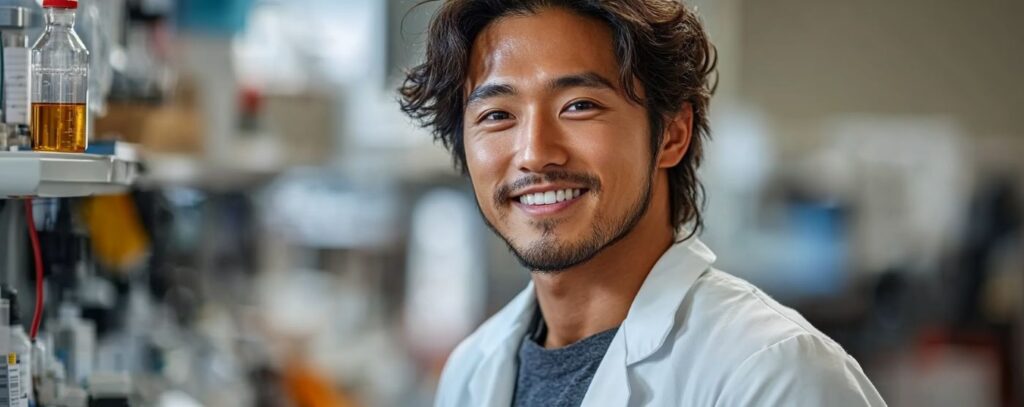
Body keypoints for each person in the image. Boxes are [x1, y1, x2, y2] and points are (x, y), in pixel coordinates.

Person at [400, 1, 886, 406]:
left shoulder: (774, 375)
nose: (534, 153)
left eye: (579, 105)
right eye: (497, 114)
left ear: (672, 134)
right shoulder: (471, 372)